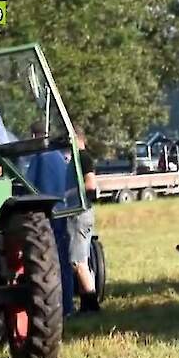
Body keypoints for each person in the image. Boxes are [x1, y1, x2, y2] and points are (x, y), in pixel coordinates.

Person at [25, 121, 75, 317]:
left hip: (45, 215)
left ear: (35, 136)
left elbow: (28, 185)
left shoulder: (39, 157)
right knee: (63, 259)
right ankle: (68, 306)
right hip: (61, 211)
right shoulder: (59, 156)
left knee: (47, 262)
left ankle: (53, 306)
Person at [69, 126, 99, 312]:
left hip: (79, 214)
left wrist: (66, 194)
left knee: (77, 262)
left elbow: (90, 185)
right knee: (82, 261)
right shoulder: (82, 157)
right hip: (84, 214)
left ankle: (91, 304)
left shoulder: (82, 157)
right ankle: (86, 305)